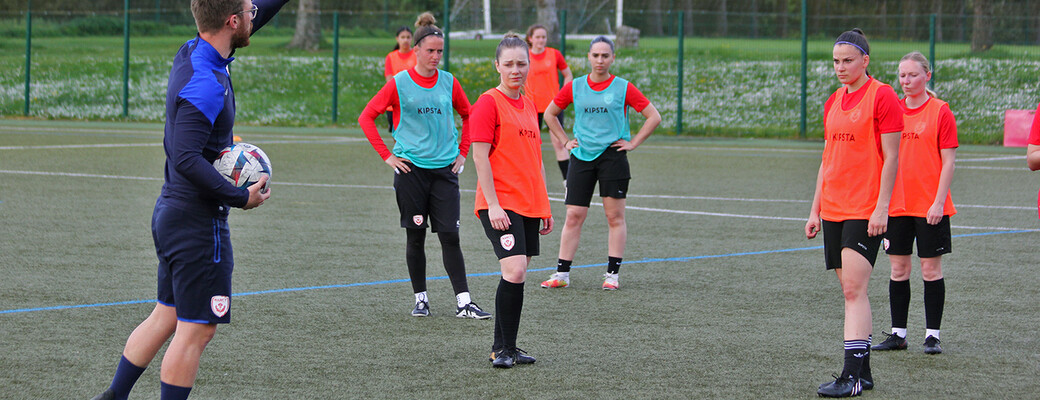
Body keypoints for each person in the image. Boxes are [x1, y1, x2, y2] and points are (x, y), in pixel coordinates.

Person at [90, 0, 283, 399]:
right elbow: (185, 158)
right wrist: (239, 197)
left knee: (167, 314)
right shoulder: (206, 84)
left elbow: (249, 13)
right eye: (249, 12)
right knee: (197, 329)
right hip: (196, 224)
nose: (255, 15)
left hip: (173, 214)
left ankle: (112, 397)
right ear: (232, 21)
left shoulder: (195, 49)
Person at [358, 12, 490, 320]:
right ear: (415, 50)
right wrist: (388, 156)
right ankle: (421, 300)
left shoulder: (449, 82)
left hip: (445, 172)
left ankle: (464, 303)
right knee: (415, 237)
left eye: (440, 51)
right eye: (430, 50)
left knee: (450, 237)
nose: (435, 56)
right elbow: (367, 117)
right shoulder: (399, 83)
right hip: (411, 173)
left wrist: (463, 152)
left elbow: (469, 114)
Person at [805, 28, 902, 398]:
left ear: (865, 60)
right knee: (850, 291)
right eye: (836, 61)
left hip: (864, 208)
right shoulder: (833, 101)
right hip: (833, 207)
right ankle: (864, 373)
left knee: (853, 290)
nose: (840, 67)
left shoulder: (882, 95)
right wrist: (814, 210)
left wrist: (882, 208)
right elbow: (827, 158)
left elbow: (892, 157)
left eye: (848, 60)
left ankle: (851, 376)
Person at [539, 36, 660, 291]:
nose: (600, 60)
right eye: (595, 55)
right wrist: (565, 140)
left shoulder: (623, 87)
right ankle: (562, 274)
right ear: (589, 57)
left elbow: (653, 116)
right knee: (574, 215)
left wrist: (633, 143)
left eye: (605, 56)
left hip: (612, 158)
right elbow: (549, 114)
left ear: (613, 58)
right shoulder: (576, 86)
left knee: (614, 216)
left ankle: (612, 276)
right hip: (581, 157)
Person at [470, 33, 555, 368]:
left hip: (529, 202)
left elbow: (536, 160)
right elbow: (479, 156)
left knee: (517, 274)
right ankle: (503, 349)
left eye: (521, 63)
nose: (515, 70)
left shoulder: (530, 104)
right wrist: (492, 205)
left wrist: (544, 204)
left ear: (529, 64)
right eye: (508, 64)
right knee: (515, 269)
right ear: (497, 66)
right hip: (500, 202)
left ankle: (505, 347)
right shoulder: (488, 102)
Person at [872, 52, 957, 356]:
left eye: (913, 75)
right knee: (898, 269)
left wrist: (938, 202)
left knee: (931, 270)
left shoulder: (940, 111)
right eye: (902, 75)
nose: (906, 81)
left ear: (927, 76)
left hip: (930, 206)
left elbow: (948, 162)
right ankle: (898, 334)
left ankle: (932, 336)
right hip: (896, 205)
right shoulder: (891, 111)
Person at [522, 24, 573, 182]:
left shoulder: (554, 54)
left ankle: (568, 182)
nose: (541, 40)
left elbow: (568, 75)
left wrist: (563, 96)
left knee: (559, 143)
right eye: (537, 37)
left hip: (553, 107)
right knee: (532, 145)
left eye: (543, 37)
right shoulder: (524, 56)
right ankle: (535, 180)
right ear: (530, 38)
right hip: (531, 107)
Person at [383, 24, 417, 132]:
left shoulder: (417, 55)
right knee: (397, 135)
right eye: (402, 37)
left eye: (408, 37)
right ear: (397, 39)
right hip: (395, 103)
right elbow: (389, 80)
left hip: (413, 102)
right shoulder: (391, 57)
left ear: (412, 39)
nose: (405, 40)